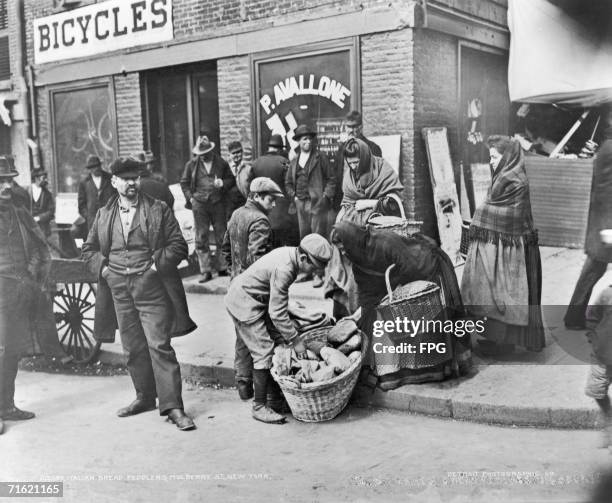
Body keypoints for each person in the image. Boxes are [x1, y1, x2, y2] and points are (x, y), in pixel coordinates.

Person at [82, 157, 197, 431]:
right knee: (132, 347)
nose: (132, 183)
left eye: (135, 178)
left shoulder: (157, 209)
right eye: (126, 179)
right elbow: (88, 250)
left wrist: (156, 267)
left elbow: (179, 246)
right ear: (114, 182)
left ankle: (173, 406)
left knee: (159, 345)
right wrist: (107, 270)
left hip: (151, 290)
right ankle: (145, 397)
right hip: (119, 290)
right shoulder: (104, 214)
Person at [332, 221, 470, 389]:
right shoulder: (358, 261)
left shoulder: (385, 241)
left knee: (427, 319)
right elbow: (368, 296)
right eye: (341, 250)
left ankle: (440, 366)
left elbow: (409, 266)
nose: (345, 253)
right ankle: (403, 371)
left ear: (353, 239)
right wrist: (361, 326)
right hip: (401, 279)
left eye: (345, 247)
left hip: (425, 265)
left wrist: (394, 291)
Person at [224, 234, 332, 424]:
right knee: (263, 351)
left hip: (255, 299)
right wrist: (296, 340)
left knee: (276, 341)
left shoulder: (290, 254)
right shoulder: (286, 269)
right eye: (313, 266)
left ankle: (272, 397)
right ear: (304, 258)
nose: (315, 271)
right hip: (244, 302)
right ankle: (259, 406)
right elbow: (277, 313)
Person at [461, 135, 545, 354]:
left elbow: (513, 215)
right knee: (494, 292)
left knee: (507, 294)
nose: (491, 161)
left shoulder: (517, 180)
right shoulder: (503, 175)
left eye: (494, 156)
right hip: (504, 243)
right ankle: (497, 339)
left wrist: (481, 212)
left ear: (507, 156)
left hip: (515, 248)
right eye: (490, 157)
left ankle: (504, 344)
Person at [0, 156, 66, 435]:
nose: (6, 185)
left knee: (13, 349)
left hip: (19, 288)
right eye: (1, 180)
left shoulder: (20, 213)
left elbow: (41, 249)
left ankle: (7, 406)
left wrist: (32, 275)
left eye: (9, 179)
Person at [324, 137, 404, 317]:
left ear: (365, 158)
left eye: (356, 162)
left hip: (377, 228)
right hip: (354, 224)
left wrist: (371, 203)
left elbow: (394, 202)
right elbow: (347, 201)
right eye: (349, 163)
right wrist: (341, 215)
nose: (353, 167)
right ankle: (343, 305)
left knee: (360, 265)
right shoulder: (350, 175)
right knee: (337, 253)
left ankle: (360, 309)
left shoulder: (382, 169)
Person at [221, 177, 284, 400]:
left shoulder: (237, 214)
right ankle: (267, 393)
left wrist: (234, 273)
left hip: (235, 285)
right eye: (270, 199)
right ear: (256, 197)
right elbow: (257, 261)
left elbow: (226, 248)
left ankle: (243, 383)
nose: (274, 204)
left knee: (242, 334)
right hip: (253, 290)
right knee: (261, 337)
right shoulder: (260, 221)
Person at [565, 106, 612, 330]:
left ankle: (574, 316)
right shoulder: (611, 149)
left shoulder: (607, 147)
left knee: (594, 269)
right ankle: (574, 317)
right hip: (606, 224)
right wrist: (607, 227)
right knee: (593, 269)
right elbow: (606, 192)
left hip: (603, 224)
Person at [285, 124, 336, 287]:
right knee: (304, 238)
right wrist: (293, 196)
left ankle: (318, 274)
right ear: (299, 142)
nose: (307, 142)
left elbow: (332, 179)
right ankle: (305, 271)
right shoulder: (294, 161)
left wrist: (325, 197)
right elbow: (287, 182)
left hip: (317, 204)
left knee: (318, 238)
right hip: (300, 203)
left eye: (309, 138)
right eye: (303, 139)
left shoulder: (320, 158)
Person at [180, 135, 234, 283]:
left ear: (211, 151)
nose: (202, 157)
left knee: (221, 235)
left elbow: (231, 179)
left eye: (204, 154)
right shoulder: (191, 165)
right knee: (201, 237)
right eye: (200, 154)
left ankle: (223, 267)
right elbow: (184, 183)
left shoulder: (221, 163)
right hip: (200, 205)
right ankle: (205, 270)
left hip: (218, 203)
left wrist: (223, 182)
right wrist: (190, 198)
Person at [334, 110, 382, 222]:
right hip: (344, 199)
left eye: (354, 126)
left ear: (361, 127)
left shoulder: (373, 148)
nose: (351, 130)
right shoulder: (341, 149)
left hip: (362, 200)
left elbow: (376, 177)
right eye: (349, 127)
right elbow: (337, 174)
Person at [251, 134, 295, 247]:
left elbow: (250, 188)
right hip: (280, 213)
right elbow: (290, 184)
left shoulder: (256, 163)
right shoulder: (284, 162)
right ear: (280, 149)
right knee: (280, 244)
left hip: (261, 212)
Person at [584, 281, 612, 450]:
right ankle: (609, 420)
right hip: (602, 355)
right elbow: (592, 318)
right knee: (596, 389)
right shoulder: (606, 295)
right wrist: (594, 340)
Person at [76, 154, 116, 238]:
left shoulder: (110, 178)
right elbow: (81, 204)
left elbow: (117, 197)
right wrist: (88, 216)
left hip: (109, 219)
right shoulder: (84, 182)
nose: (97, 168)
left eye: (98, 166)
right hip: (92, 222)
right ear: (90, 169)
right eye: (93, 167)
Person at [225, 141, 251, 221]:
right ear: (229, 155)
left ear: (242, 152)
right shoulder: (225, 169)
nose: (236, 155)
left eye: (238, 152)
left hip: (244, 203)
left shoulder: (248, 169)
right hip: (229, 206)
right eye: (233, 153)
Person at [28, 168, 55, 238]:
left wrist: (39, 218)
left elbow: (51, 211)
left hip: (43, 228)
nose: (46, 180)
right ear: (36, 178)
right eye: (44, 178)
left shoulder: (48, 194)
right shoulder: (26, 192)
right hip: (29, 227)